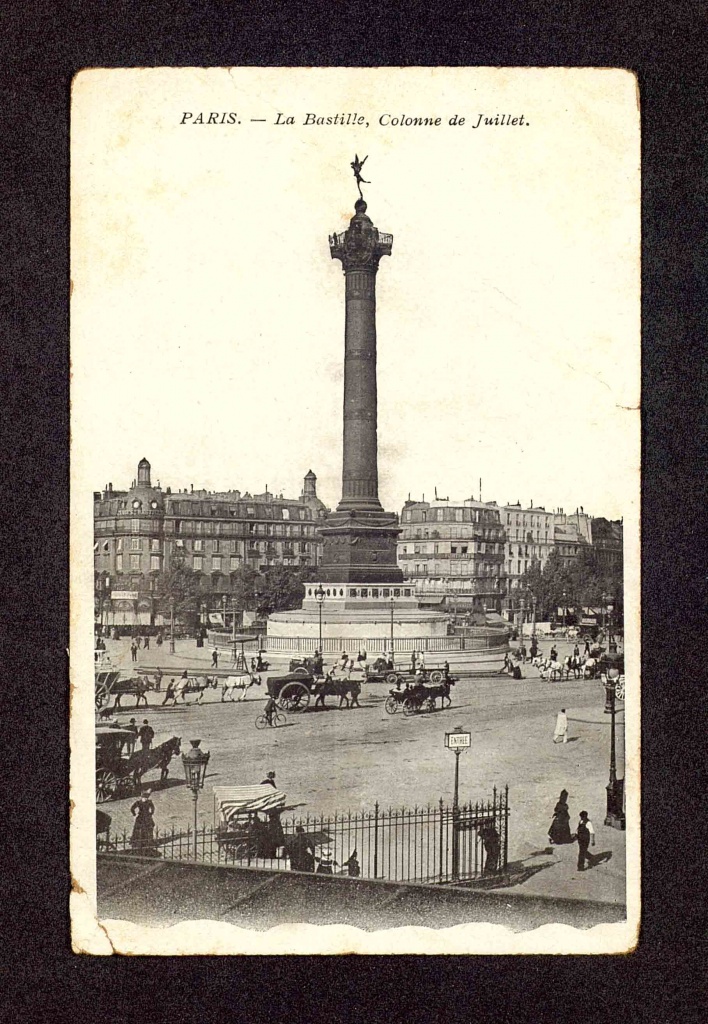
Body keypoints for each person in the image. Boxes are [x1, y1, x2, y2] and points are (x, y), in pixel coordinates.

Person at [130, 790, 156, 854]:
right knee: (139, 829)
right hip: (141, 817)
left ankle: (147, 842)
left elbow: (153, 808)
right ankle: (138, 842)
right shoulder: (139, 802)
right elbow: (132, 808)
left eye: (146, 798)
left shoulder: (148, 802)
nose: (145, 799)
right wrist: (134, 814)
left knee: (148, 829)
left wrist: (151, 813)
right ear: (141, 797)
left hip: (146, 817)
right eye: (144, 798)